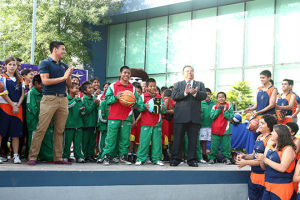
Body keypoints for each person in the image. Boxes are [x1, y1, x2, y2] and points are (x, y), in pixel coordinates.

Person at [27, 41, 74, 165]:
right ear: (55, 49)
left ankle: (58, 158)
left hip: (63, 99)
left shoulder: (64, 65)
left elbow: (69, 85)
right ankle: (32, 157)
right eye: (62, 49)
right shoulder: (45, 63)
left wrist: (68, 75)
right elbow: (45, 82)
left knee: (60, 130)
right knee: (41, 128)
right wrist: (64, 77)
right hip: (49, 98)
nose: (64, 51)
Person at [101, 66, 140, 165]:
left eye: (128, 73)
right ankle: (107, 157)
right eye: (124, 72)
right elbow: (107, 99)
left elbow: (136, 103)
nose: (126, 75)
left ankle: (123, 157)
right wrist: (116, 97)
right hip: (114, 116)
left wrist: (132, 103)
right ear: (120, 73)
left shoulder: (133, 88)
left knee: (125, 139)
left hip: (127, 117)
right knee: (111, 138)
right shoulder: (113, 86)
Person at [170, 65, 207, 167]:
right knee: (178, 139)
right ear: (183, 73)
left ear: (194, 73)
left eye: (191, 71)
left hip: (194, 117)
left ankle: (191, 159)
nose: (189, 73)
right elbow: (174, 96)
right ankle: (175, 159)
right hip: (180, 117)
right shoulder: (178, 84)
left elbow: (204, 96)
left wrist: (195, 94)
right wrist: (185, 93)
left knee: (193, 140)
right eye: (187, 71)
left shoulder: (200, 84)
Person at [236, 114, 277, 200]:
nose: (259, 125)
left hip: (264, 177)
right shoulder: (259, 137)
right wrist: (244, 157)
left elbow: (263, 160)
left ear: (269, 126)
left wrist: (245, 163)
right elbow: (253, 155)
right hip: (253, 176)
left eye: (262, 123)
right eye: (260, 123)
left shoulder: (271, 140)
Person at [255, 124, 296, 200]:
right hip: (268, 185)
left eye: (274, 131)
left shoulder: (288, 149)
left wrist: (265, 159)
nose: (271, 133)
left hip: (281, 187)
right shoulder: (272, 147)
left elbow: (282, 168)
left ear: (280, 134)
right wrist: (261, 160)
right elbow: (264, 168)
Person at [135, 78, 166, 166]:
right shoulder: (143, 96)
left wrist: (163, 108)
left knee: (157, 142)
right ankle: (141, 159)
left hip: (157, 123)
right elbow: (139, 108)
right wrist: (144, 106)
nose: (153, 88)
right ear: (147, 87)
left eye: (154, 86)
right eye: (151, 86)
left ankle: (156, 159)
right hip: (146, 123)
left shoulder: (159, 97)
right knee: (144, 142)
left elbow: (163, 111)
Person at [0, 57, 25, 164]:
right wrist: (12, 105)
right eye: (10, 64)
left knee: (16, 134)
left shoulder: (20, 79)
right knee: (1, 133)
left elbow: (23, 94)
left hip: (17, 109)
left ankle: (15, 156)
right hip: (4, 107)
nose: (12, 66)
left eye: (14, 64)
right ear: (5, 65)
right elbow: (3, 93)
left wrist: (17, 106)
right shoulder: (2, 77)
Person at [26, 74, 54, 162]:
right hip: (34, 122)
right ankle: (33, 157)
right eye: (42, 84)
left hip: (45, 121)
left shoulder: (44, 93)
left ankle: (48, 157)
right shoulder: (31, 93)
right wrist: (43, 118)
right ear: (36, 83)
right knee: (34, 140)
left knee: (47, 139)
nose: (44, 86)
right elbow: (32, 108)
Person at [207, 92, 234, 165]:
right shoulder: (214, 107)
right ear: (217, 99)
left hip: (226, 129)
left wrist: (225, 111)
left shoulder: (229, 107)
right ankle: (212, 158)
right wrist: (218, 110)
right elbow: (212, 116)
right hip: (216, 128)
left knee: (226, 145)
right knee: (214, 145)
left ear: (225, 98)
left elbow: (230, 117)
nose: (221, 98)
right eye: (219, 97)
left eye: (222, 97)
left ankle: (227, 158)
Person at [63, 83, 85, 163]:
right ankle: (65, 156)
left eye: (78, 89)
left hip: (78, 124)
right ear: (70, 89)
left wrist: (82, 110)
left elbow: (82, 113)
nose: (78, 90)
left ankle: (79, 156)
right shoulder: (65, 99)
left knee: (78, 143)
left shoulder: (79, 100)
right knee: (67, 143)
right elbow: (68, 106)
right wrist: (75, 100)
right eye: (76, 88)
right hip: (69, 125)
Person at [81, 81, 99, 161]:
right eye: (89, 88)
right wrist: (94, 104)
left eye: (91, 87)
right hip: (86, 124)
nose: (92, 89)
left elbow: (97, 110)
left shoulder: (94, 98)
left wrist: (97, 104)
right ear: (85, 91)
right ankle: (84, 155)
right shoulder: (84, 99)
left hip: (93, 123)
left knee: (92, 141)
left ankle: (90, 155)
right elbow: (87, 110)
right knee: (85, 141)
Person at [96, 83, 111, 163]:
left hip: (111, 126)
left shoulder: (113, 103)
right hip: (103, 126)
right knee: (102, 142)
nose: (106, 89)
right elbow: (101, 116)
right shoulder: (102, 102)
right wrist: (108, 121)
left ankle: (109, 156)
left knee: (110, 142)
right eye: (105, 88)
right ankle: (100, 156)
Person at [200, 88, 216, 161]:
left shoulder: (214, 104)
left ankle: (212, 155)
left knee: (212, 140)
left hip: (212, 125)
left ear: (211, 95)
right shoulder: (200, 103)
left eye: (208, 94)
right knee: (203, 141)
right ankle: (203, 154)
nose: (207, 95)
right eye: (205, 94)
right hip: (202, 126)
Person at [161, 89, 174, 161]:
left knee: (166, 138)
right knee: (164, 138)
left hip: (167, 122)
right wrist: (171, 111)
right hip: (164, 121)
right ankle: (165, 155)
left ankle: (166, 155)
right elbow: (163, 111)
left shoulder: (169, 101)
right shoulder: (165, 100)